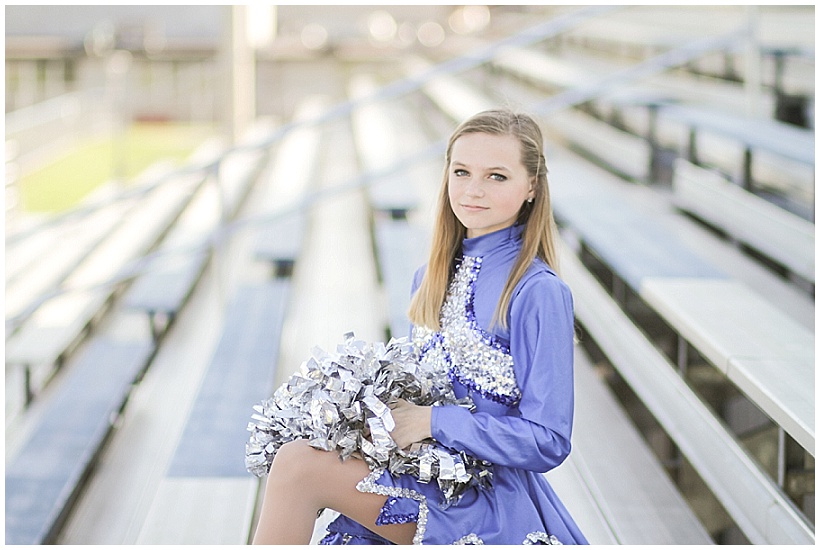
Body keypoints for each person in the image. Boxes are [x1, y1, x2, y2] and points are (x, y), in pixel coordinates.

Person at [251, 109, 587, 545]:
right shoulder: (429, 276)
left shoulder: (538, 292)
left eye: (497, 176)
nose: (473, 190)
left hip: (485, 498)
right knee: (305, 454)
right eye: (462, 171)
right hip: (425, 471)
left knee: (299, 467)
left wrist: (436, 421)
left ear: (532, 187)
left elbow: (549, 440)